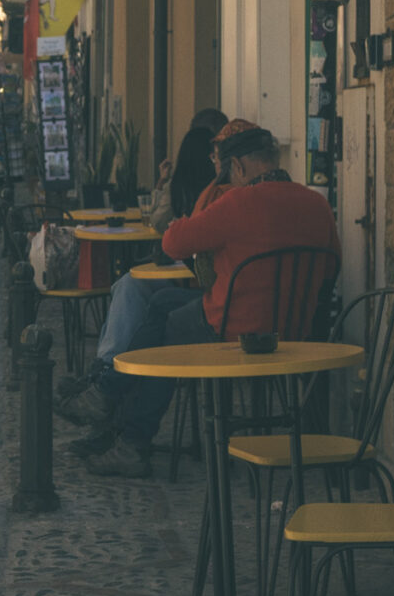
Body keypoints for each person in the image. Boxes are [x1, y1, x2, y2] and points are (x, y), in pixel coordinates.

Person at [78, 125, 334, 478]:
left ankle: (129, 431)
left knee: (165, 333)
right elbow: (331, 268)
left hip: (234, 328)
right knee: (164, 303)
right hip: (295, 330)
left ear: (239, 168)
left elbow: (172, 244)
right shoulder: (318, 205)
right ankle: (112, 401)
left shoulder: (238, 203)